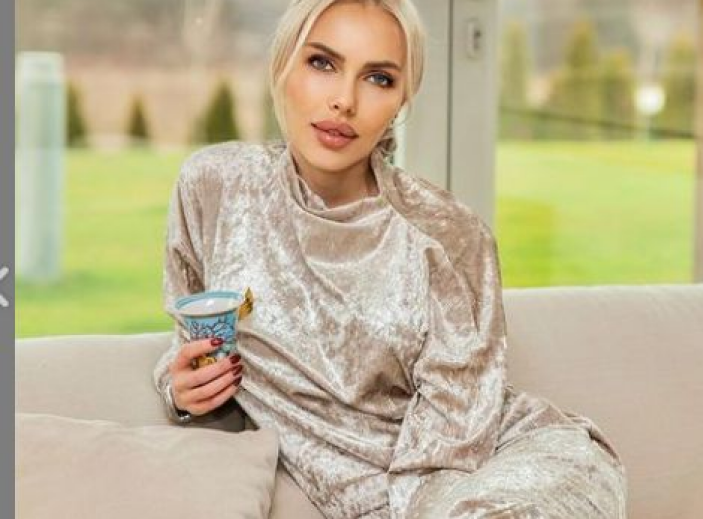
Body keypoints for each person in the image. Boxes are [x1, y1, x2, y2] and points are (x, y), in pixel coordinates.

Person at [152, 1, 627, 517]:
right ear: (283, 64)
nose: (344, 100)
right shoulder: (215, 188)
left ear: (402, 99)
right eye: (322, 63)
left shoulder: (447, 234)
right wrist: (179, 390)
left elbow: (453, 436)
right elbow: (191, 339)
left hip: (496, 468)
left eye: (378, 78)